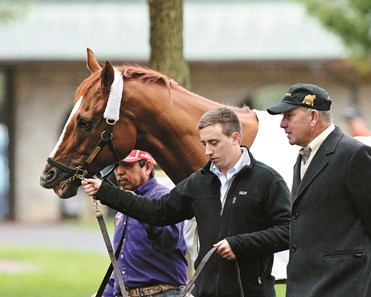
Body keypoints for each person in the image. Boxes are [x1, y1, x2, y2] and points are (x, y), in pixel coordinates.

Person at [82, 107, 291, 297]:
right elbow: (157, 211)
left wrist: (239, 244)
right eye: (204, 143)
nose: (207, 151)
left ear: (235, 137)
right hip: (205, 292)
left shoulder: (267, 180)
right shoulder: (199, 181)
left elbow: (288, 231)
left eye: (214, 143)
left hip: (252, 292)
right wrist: (105, 191)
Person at [267, 83, 371, 297]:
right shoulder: (303, 156)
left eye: (289, 115)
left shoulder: (354, 155)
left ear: (313, 116)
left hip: (345, 287)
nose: (282, 124)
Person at [98, 150, 188, 297]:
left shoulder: (164, 198)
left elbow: (168, 241)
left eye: (127, 165)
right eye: (116, 166)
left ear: (147, 167)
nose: (119, 172)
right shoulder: (123, 204)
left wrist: (139, 209)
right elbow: (122, 262)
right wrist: (105, 293)